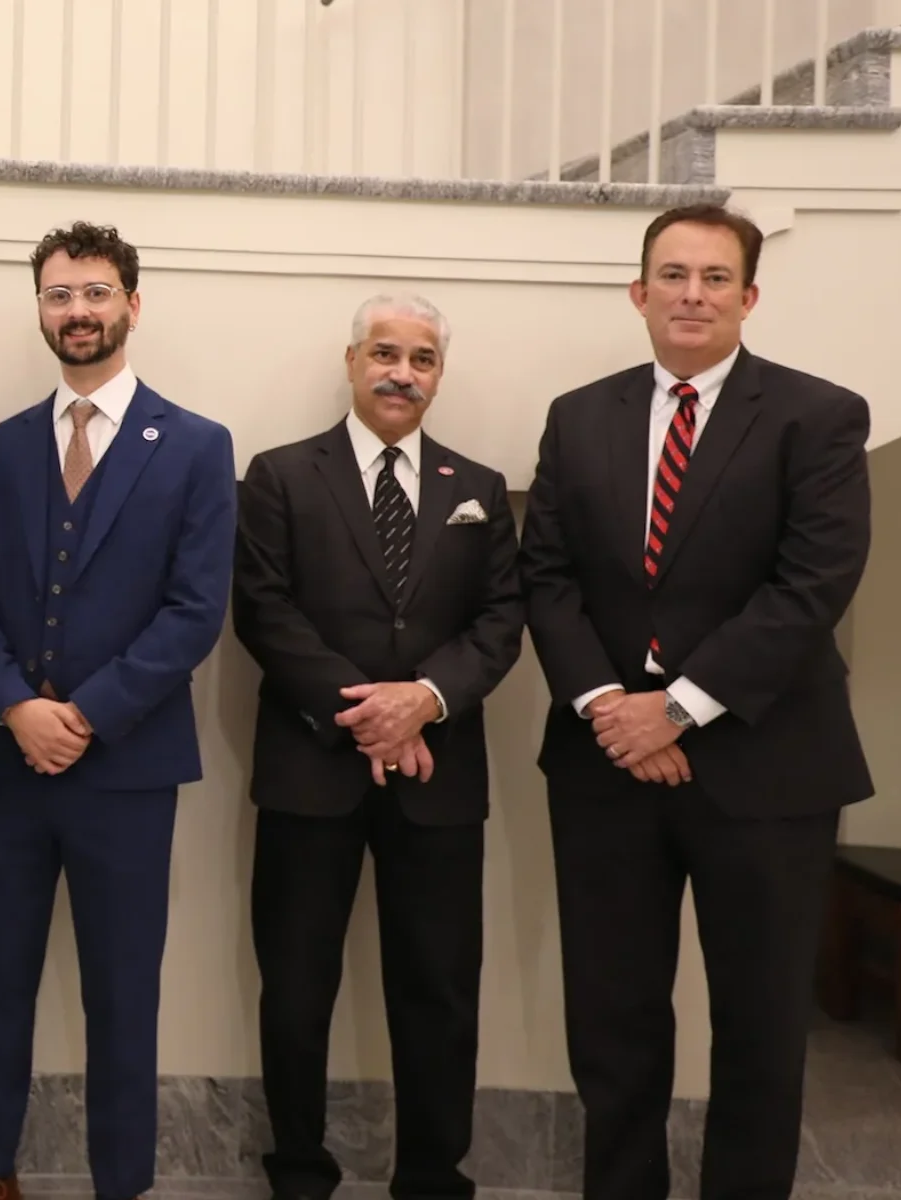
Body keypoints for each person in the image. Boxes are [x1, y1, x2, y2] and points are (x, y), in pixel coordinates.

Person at [519, 203, 871, 1198]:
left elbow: (813, 584)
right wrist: (611, 708)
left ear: (749, 298)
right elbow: (546, 574)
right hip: (606, 768)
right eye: (673, 275)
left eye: (716, 278)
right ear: (639, 293)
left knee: (760, 1026)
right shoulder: (577, 415)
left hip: (767, 767)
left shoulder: (819, 416)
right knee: (613, 1019)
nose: (693, 294)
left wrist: (674, 708)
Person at [0, 221, 234, 1200]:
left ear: (132, 306)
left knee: (123, 989)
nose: (78, 311)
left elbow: (196, 611)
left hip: (129, 766)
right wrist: (14, 706)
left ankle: (123, 1181)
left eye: (97, 292)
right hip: (7, 762)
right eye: (60, 294)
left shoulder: (195, 446)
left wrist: (85, 715)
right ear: (40, 309)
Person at [233, 295, 525, 1200]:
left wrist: (423, 702)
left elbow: (500, 620)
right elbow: (264, 611)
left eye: (423, 358)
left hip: (440, 776)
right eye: (386, 353)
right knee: (296, 989)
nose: (403, 372)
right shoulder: (280, 476)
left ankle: (432, 1177)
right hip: (309, 768)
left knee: (440, 991)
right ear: (352, 361)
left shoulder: (480, 488)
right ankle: (298, 1172)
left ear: (439, 374)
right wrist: (366, 715)